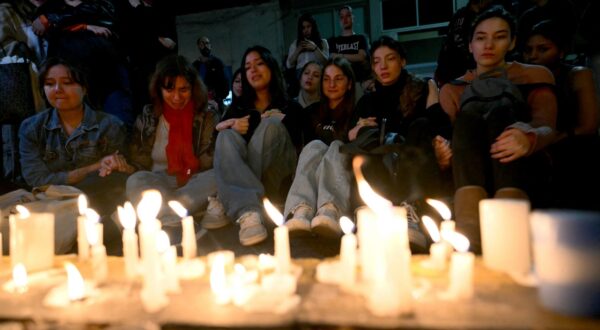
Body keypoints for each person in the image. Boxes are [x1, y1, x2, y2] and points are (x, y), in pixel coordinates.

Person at [439, 6, 558, 252]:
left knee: (501, 111)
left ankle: (508, 227)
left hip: (523, 165)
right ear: (470, 45)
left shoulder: (534, 75)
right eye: (481, 38)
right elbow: (454, 139)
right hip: (470, 167)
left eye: (499, 36)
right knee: (470, 115)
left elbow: (548, 125)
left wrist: (529, 136)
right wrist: (441, 150)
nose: (488, 45)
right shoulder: (453, 89)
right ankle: (470, 227)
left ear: (512, 42)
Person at [348, 36, 452, 251]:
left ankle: (411, 213)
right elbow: (349, 138)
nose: (383, 66)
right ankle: (369, 214)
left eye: (390, 59)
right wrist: (356, 130)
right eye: (376, 61)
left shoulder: (421, 89)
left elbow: (439, 127)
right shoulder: (368, 100)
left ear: (403, 61)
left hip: (414, 165)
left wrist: (432, 94)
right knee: (367, 138)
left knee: (421, 124)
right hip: (380, 168)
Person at [18, 57, 131, 216]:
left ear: (84, 88)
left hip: (98, 199)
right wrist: (93, 166)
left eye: (67, 82)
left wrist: (114, 166)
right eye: (49, 83)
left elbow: (114, 172)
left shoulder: (110, 125)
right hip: (51, 201)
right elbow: (37, 179)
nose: (57, 89)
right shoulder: (31, 128)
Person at [214, 45, 302, 246]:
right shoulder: (237, 108)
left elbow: (301, 147)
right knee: (226, 136)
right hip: (254, 189)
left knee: (270, 126)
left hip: (278, 176)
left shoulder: (291, 106)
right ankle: (249, 212)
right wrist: (226, 124)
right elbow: (218, 147)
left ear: (271, 66)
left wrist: (283, 122)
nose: (253, 70)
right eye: (247, 67)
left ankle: (225, 196)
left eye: (259, 64)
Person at [126, 55, 223, 232]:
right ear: (159, 89)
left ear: (193, 88)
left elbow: (208, 162)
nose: (177, 97)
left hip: (194, 180)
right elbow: (137, 161)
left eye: (183, 89)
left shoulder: (207, 115)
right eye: (169, 90)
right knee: (135, 180)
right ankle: (179, 212)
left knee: (219, 175)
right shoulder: (148, 115)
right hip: (158, 181)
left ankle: (164, 215)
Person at [522, 20, 600, 210]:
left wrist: (555, 137)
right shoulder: (523, 77)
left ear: (561, 51)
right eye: (528, 50)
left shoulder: (577, 74)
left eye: (543, 49)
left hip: (572, 144)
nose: (533, 56)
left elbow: (589, 125)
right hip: (535, 145)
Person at [284, 57, 355, 238]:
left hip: (342, 176)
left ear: (349, 84)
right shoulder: (310, 112)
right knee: (314, 145)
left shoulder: (357, 111)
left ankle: (330, 210)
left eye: (338, 78)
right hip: (312, 177)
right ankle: (301, 209)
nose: (331, 84)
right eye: (326, 78)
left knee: (337, 146)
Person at [435, 0, 494, 87]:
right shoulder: (459, 16)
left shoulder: (493, 16)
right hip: (457, 75)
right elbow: (448, 45)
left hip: (480, 75)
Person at [327, 5, 370, 97]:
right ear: (339, 20)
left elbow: (362, 57)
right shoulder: (333, 41)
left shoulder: (361, 38)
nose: (345, 19)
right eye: (342, 17)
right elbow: (332, 58)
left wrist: (341, 56)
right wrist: (354, 57)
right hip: (339, 84)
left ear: (353, 17)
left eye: (348, 15)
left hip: (358, 82)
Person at [192, 36, 229, 116]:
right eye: (202, 43)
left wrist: (218, 97)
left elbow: (225, 82)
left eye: (207, 43)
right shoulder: (194, 66)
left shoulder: (218, 63)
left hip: (217, 102)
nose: (205, 46)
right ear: (198, 46)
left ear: (210, 45)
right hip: (199, 104)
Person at [286, 14, 328, 79]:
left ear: (313, 27)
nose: (306, 30)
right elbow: (289, 65)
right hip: (300, 75)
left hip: (316, 74)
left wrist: (315, 48)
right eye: (303, 28)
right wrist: (298, 50)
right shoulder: (295, 44)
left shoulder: (323, 42)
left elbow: (326, 63)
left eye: (308, 27)